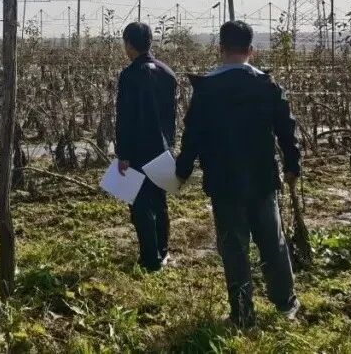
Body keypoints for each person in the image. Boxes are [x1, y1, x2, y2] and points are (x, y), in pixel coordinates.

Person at [176, 20, 302, 327]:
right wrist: (291, 165)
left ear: (220, 49)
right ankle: (285, 304)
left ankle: (243, 314)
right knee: (272, 242)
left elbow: (193, 136)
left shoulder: (206, 89)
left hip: (224, 182)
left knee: (233, 248)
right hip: (262, 178)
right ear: (251, 50)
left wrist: (182, 170)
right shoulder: (267, 85)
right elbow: (287, 129)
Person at [115, 22, 177, 272]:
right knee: (159, 202)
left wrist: (123, 154)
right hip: (162, 148)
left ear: (129, 44)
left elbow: (125, 117)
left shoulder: (129, 75)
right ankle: (163, 251)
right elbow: (171, 116)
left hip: (137, 150)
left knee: (140, 205)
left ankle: (150, 259)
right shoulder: (168, 73)